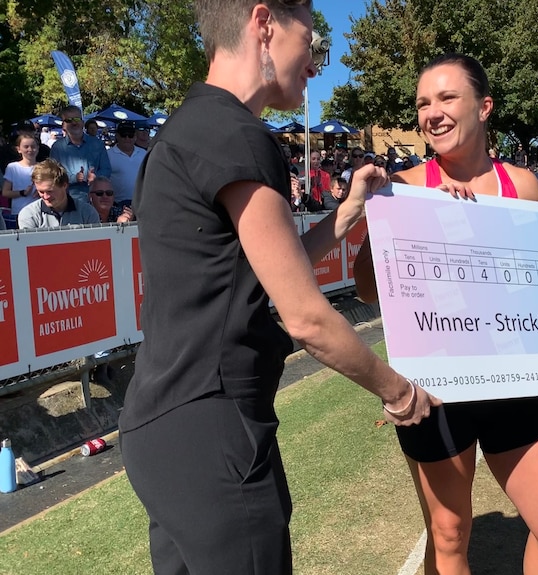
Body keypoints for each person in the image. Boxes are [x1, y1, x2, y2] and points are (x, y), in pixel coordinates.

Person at [118, 3, 438, 574]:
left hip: (162, 430)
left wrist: (344, 216)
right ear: (264, 24)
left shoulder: (186, 128)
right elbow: (306, 318)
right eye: (311, 44)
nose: (314, 66)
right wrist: (400, 391)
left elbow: (250, 269)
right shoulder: (238, 135)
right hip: (214, 431)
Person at [354, 53, 538, 575]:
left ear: (484, 107)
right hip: (437, 390)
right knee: (450, 535)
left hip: (512, 380)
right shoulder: (403, 188)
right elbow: (369, 291)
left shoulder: (524, 186)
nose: (431, 113)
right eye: (422, 103)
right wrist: (407, 219)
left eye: (446, 98)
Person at [49, 105, 111, 206]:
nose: (74, 123)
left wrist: (96, 177)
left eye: (77, 119)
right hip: (68, 202)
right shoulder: (57, 148)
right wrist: (74, 178)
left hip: (96, 200)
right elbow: (53, 175)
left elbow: (107, 169)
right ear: (63, 125)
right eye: (69, 120)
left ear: (82, 122)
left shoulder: (98, 144)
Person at [17, 159, 100, 229]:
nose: (46, 197)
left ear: (64, 185)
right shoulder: (29, 215)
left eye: (50, 191)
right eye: (41, 192)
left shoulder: (87, 212)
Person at [1, 134, 40, 229]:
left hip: (39, 212)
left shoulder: (43, 167)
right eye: (26, 147)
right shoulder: (13, 167)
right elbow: (5, 192)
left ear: (38, 148)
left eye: (33, 146)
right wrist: (22, 193)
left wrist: (41, 192)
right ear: (19, 149)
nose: (30, 150)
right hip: (19, 212)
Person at [107, 121, 146, 207]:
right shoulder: (108, 155)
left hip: (141, 203)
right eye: (123, 135)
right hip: (117, 204)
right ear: (117, 136)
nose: (127, 138)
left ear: (135, 136)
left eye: (130, 135)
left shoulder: (144, 153)